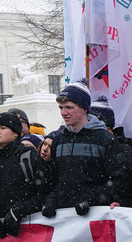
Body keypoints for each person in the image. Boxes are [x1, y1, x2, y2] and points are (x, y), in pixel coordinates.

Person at [42, 80, 128, 218]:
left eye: (69, 107)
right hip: (65, 220)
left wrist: (91, 198)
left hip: (94, 217)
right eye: (61, 107)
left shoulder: (105, 139)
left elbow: (119, 181)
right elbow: (55, 180)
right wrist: (51, 200)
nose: (63, 112)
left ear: (84, 108)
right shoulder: (59, 139)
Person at [0, 113, 50, 238]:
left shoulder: (29, 157)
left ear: (16, 133)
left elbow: (44, 194)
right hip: (1, 235)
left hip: (30, 232)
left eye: (3, 128)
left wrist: (19, 210)